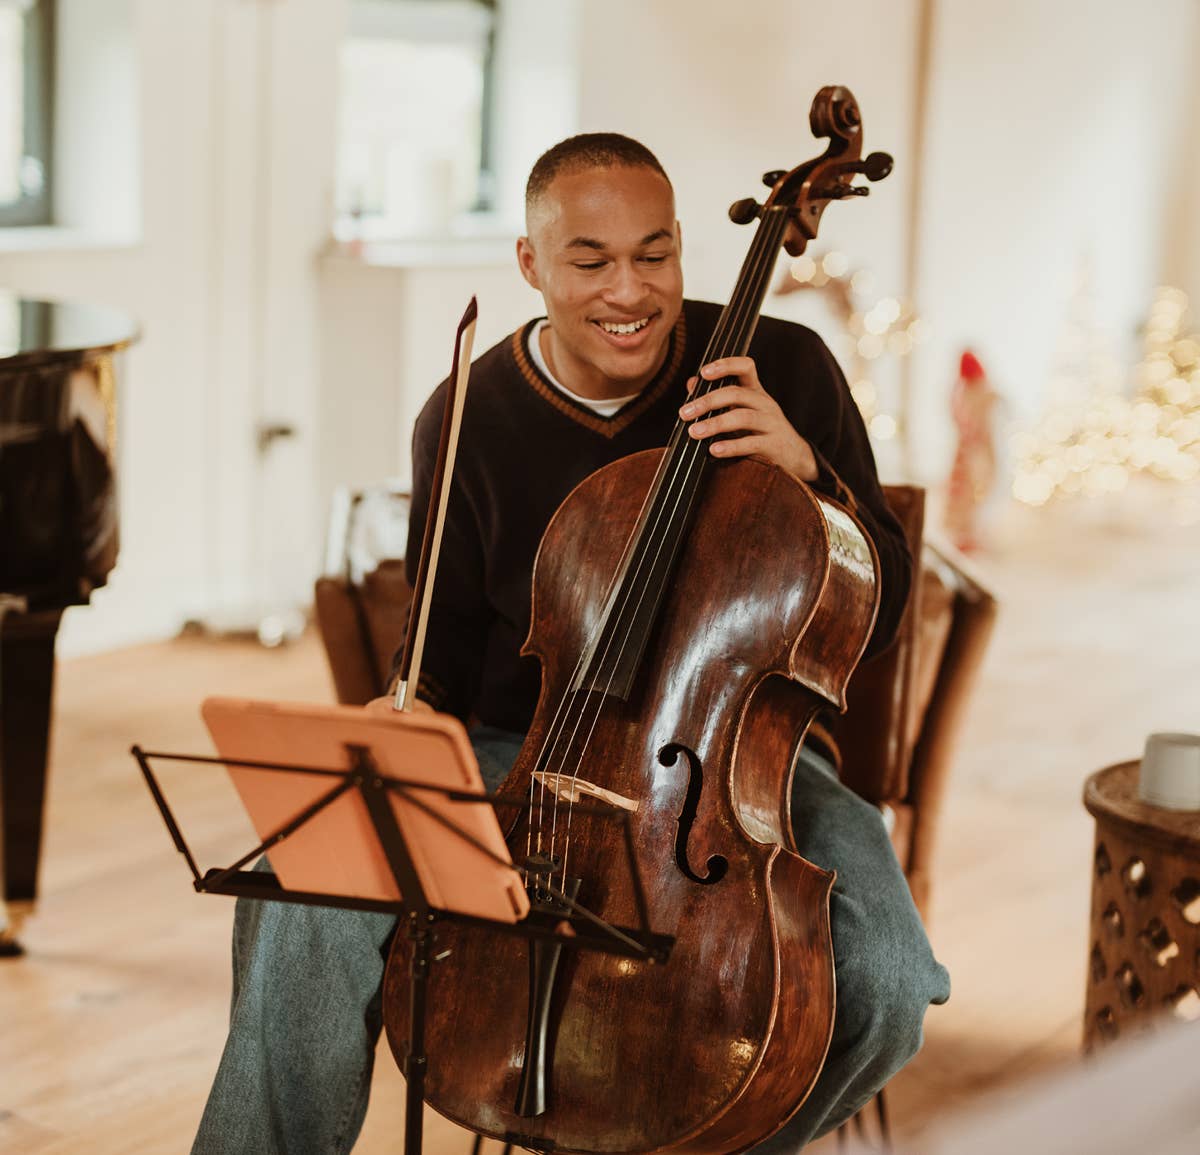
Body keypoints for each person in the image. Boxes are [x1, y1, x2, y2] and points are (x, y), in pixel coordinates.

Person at [192, 133, 949, 1155]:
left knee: (890, 982)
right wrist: (406, 711)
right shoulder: (469, 414)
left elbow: (884, 604)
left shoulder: (786, 370)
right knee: (304, 892)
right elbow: (441, 661)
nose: (629, 291)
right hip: (527, 754)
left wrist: (809, 472)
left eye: (657, 254)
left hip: (744, 770)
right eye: (590, 261)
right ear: (531, 264)